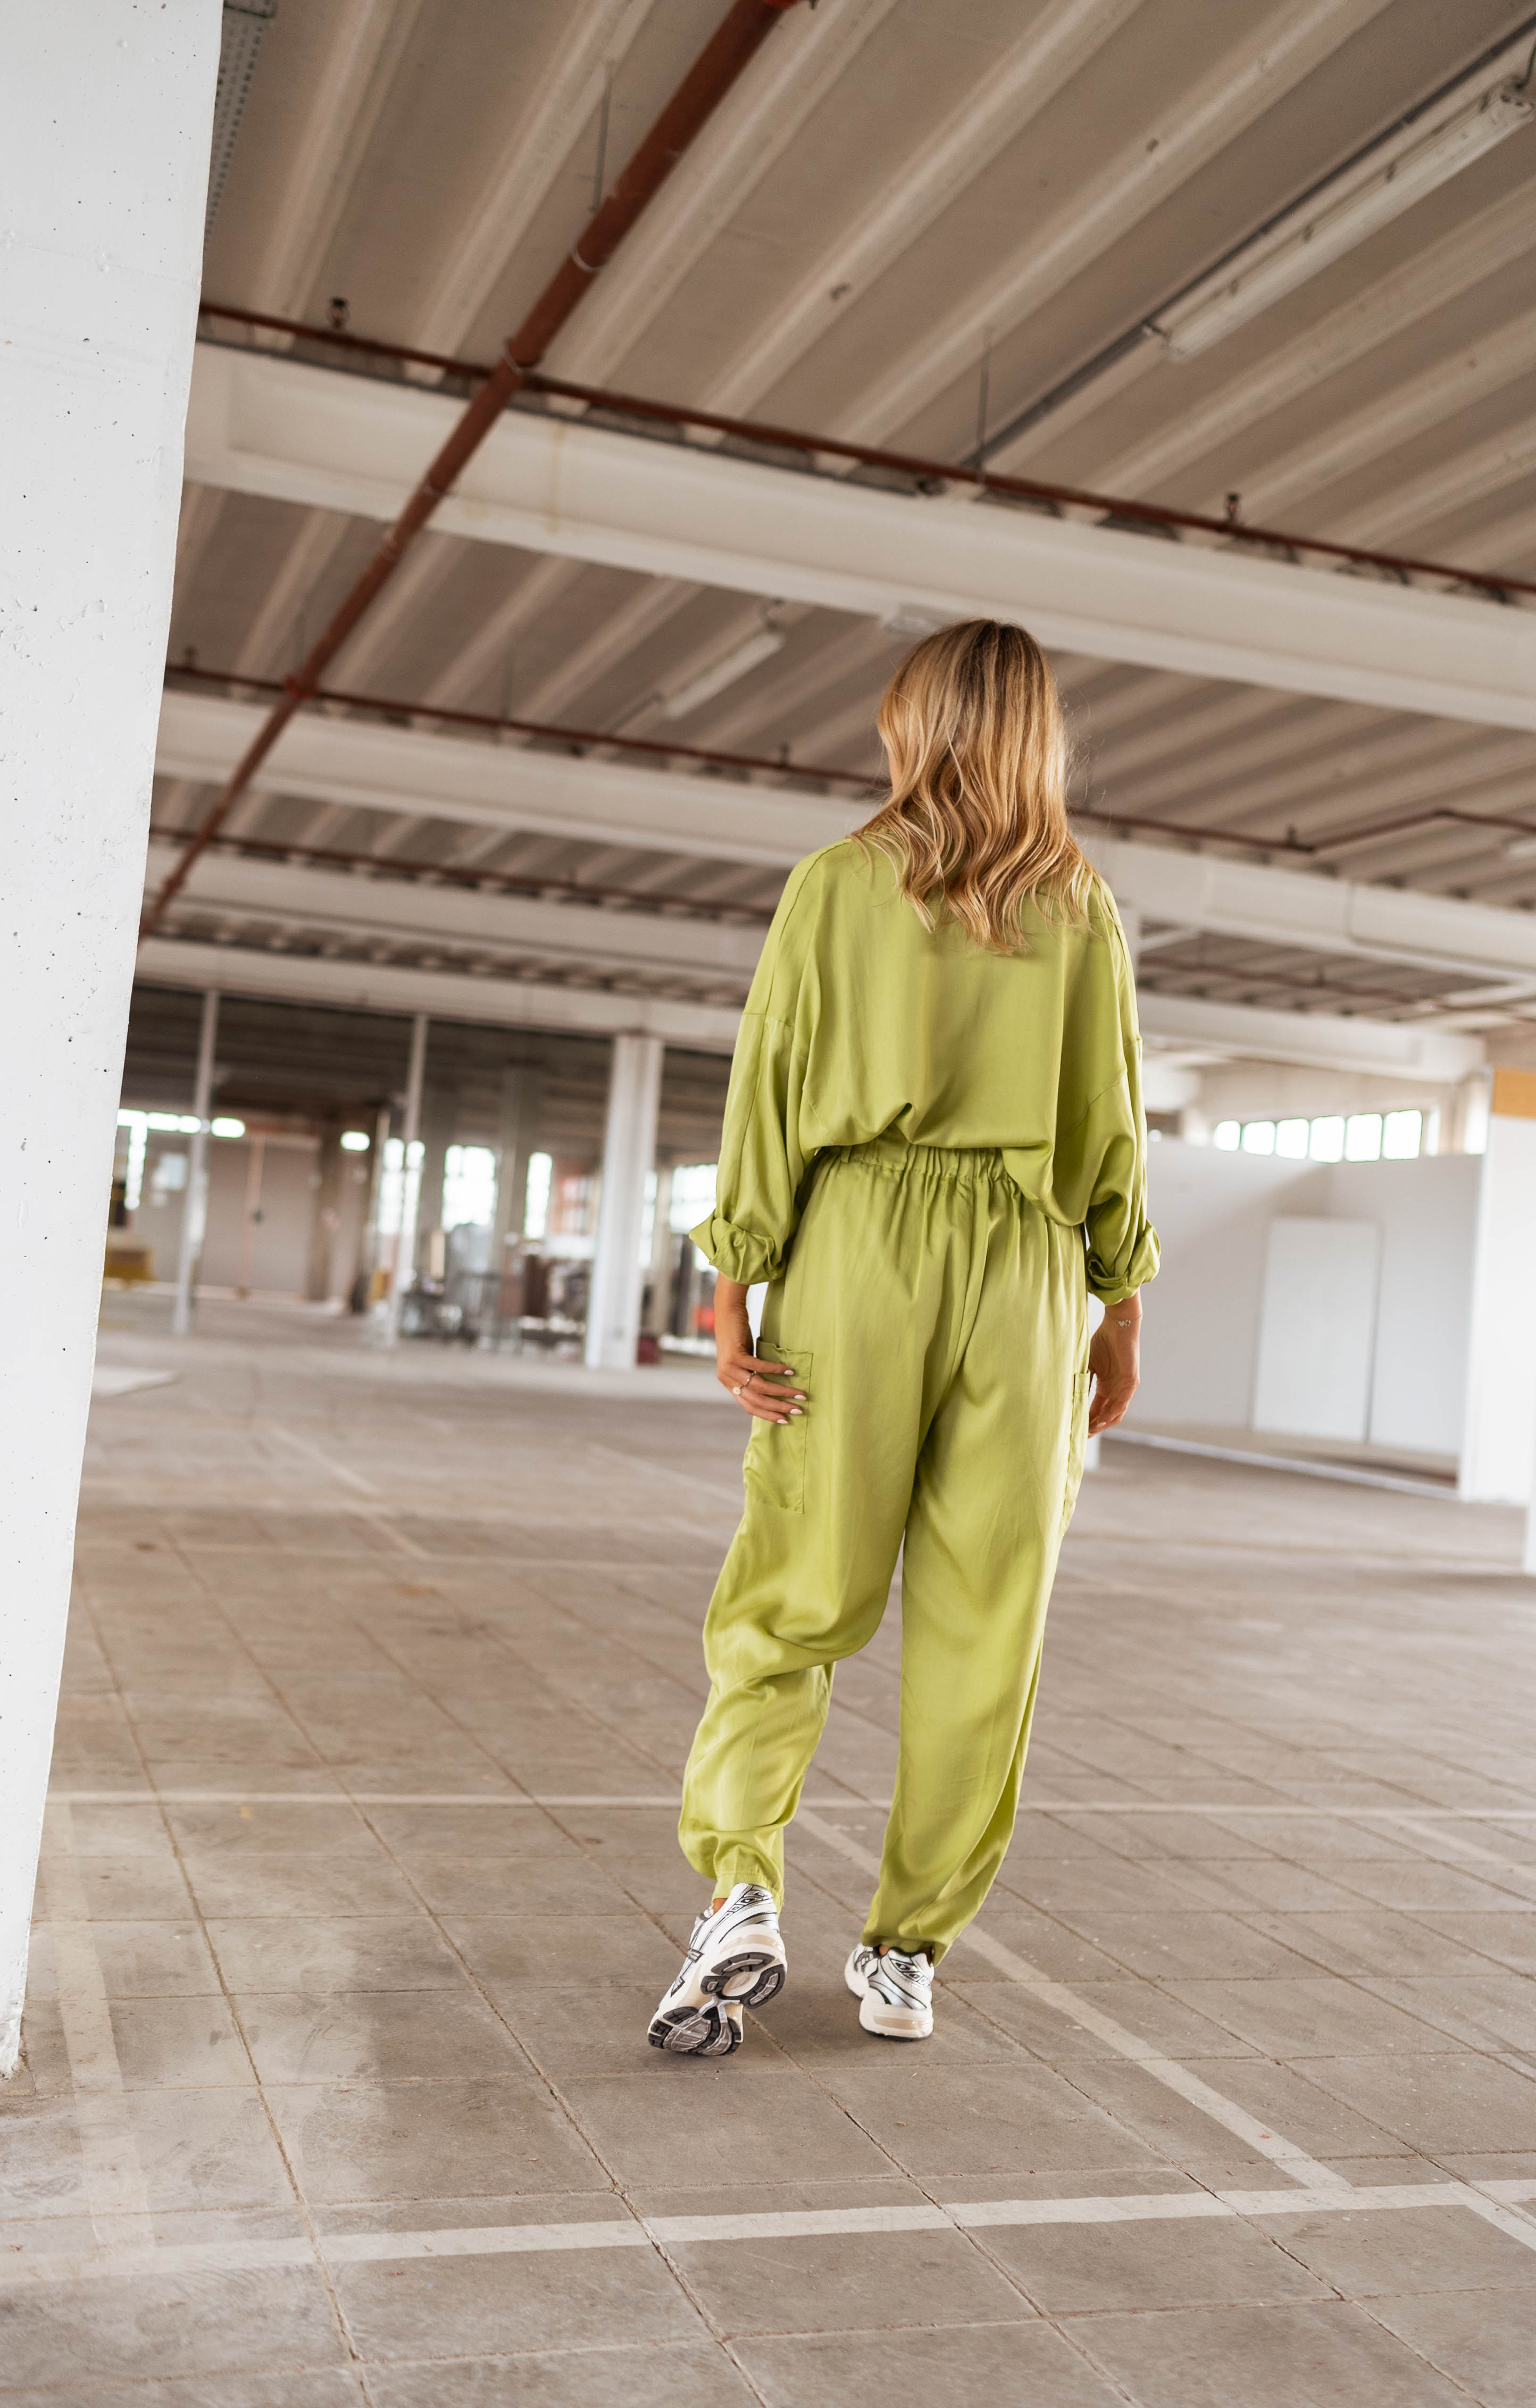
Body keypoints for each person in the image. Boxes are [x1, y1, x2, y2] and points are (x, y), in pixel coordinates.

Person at [647, 619, 1157, 2057]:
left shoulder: (837, 885)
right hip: (1031, 1268)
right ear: (1042, 735)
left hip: (862, 1247)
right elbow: (1111, 1120)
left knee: (796, 1596)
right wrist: (1117, 1308)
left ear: (908, 723)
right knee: (986, 1629)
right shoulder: (1086, 908)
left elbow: (775, 1083)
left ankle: (740, 1886)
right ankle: (907, 1950)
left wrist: (735, 1278)